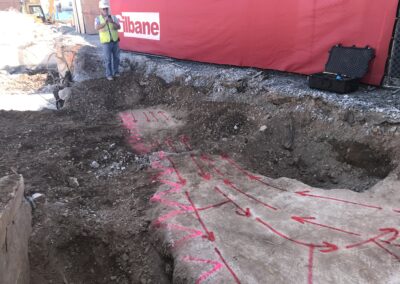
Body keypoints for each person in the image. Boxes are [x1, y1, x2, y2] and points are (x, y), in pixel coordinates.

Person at [95, 1, 121, 81]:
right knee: (108, 59)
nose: (105, 10)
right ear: (100, 9)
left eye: (106, 8)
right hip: (106, 43)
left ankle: (116, 72)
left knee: (116, 58)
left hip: (115, 41)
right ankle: (109, 75)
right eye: (104, 9)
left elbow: (118, 27)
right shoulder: (97, 19)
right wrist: (105, 23)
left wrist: (112, 22)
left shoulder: (113, 17)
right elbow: (97, 27)